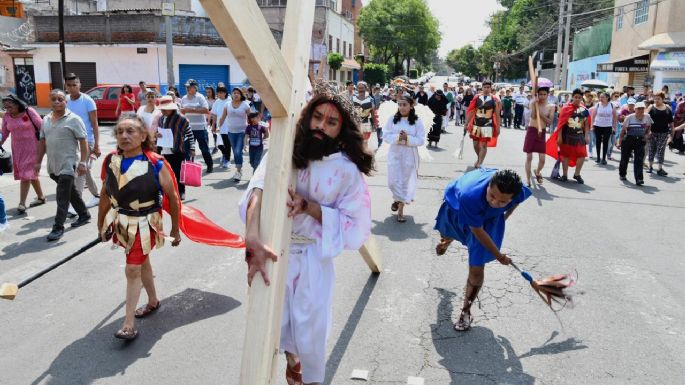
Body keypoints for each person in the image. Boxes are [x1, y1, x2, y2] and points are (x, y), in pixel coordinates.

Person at [239, 90, 373, 384]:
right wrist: (251, 237)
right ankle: (292, 362)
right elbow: (257, 189)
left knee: (310, 336)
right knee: (271, 328)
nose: (321, 126)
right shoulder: (285, 151)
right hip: (275, 250)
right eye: (317, 117)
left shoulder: (346, 171)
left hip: (313, 260)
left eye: (331, 122)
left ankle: (304, 374)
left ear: (340, 131)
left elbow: (355, 224)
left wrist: (310, 207)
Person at [98, 113, 181, 340]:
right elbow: (106, 195)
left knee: (132, 268)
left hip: (146, 223)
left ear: (143, 135)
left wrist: (175, 229)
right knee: (141, 260)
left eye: (131, 131)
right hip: (122, 222)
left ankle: (128, 325)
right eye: (120, 132)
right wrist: (100, 225)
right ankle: (153, 301)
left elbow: (172, 197)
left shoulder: (156, 162)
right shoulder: (111, 160)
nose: (124, 136)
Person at [434, 169, 531, 331]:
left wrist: (501, 218)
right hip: (457, 208)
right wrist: (499, 256)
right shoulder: (469, 196)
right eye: (492, 196)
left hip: (483, 219)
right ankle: (447, 239)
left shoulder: (518, 192)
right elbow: (478, 231)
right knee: (449, 232)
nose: (494, 203)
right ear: (488, 185)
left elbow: (516, 202)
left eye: (502, 202)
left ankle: (466, 311)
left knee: (477, 269)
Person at [34, 89, 90, 241]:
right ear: (49, 101)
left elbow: (83, 142)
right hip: (53, 165)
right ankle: (84, 214)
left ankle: (58, 227)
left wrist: (83, 162)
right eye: (54, 99)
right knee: (70, 191)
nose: (57, 102)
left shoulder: (74, 119)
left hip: (69, 163)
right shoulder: (45, 120)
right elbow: (42, 142)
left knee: (62, 195)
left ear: (66, 102)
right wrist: (38, 162)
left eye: (60, 99)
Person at [1, 94, 46, 214]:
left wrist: (46, 145)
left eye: (10, 106)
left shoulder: (29, 111)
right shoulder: (7, 116)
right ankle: (41, 197)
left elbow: (42, 127)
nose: (8, 110)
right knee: (30, 174)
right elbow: (4, 134)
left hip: (33, 147)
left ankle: (22, 203)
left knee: (26, 175)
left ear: (17, 103)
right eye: (6, 108)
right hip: (18, 149)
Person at [383, 95, 425, 223]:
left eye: (404, 105)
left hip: (409, 154)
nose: (402, 107)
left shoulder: (417, 121)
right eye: (400, 104)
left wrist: (407, 138)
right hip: (395, 153)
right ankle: (397, 199)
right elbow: (385, 135)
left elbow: (421, 140)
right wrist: (398, 138)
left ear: (411, 106)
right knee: (392, 182)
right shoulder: (392, 119)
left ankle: (400, 211)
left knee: (405, 182)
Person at [64, 73, 102, 209]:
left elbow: (94, 123)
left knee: (80, 170)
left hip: (86, 141)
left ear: (79, 85)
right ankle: (97, 195)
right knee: (84, 169)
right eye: (69, 85)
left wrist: (97, 145)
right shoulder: (66, 100)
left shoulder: (88, 100)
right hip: (70, 141)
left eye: (75, 85)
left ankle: (76, 204)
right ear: (66, 86)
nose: (72, 88)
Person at [546, 88, 590, 184]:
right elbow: (560, 124)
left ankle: (577, 174)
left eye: (579, 97)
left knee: (582, 155)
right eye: (575, 97)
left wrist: (587, 135)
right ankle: (564, 175)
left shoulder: (584, 110)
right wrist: (559, 137)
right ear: (572, 97)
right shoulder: (566, 108)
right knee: (565, 155)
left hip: (579, 136)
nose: (577, 99)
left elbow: (587, 124)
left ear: (581, 98)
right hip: (567, 135)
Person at [156, 95, 195, 200]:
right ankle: (171, 191)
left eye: (165, 109)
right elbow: (158, 132)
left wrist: (192, 148)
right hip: (165, 150)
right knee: (168, 173)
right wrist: (157, 135)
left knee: (178, 172)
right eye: (162, 109)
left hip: (178, 150)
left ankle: (181, 191)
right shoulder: (161, 119)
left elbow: (190, 134)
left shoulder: (181, 119)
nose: (163, 111)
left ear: (171, 109)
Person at [523, 87, 554, 186]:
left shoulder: (551, 106)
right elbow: (532, 117)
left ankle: (537, 172)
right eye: (540, 94)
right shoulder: (533, 103)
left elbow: (549, 122)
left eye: (544, 94)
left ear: (548, 95)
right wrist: (535, 105)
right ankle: (528, 179)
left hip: (542, 132)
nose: (542, 96)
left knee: (542, 159)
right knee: (529, 156)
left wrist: (540, 114)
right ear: (537, 95)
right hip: (532, 130)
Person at [219, 88, 252, 181]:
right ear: (232, 94)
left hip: (242, 132)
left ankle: (238, 171)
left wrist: (252, 129)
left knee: (238, 151)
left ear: (241, 95)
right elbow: (223, 117)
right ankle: (239, 168)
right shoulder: (227, 104)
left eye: (238, 93)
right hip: (230, 132)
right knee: (235, 152)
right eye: (234, 93)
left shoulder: (245, 105)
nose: (236, 94)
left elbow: (250, 118)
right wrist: (218, 127)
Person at [180, 79, 213, 173]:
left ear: (195, 87)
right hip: (188, 129)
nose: (187, 88)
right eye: (186, 87)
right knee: (187, 150)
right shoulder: (184, 98)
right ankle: (188, 169)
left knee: (204, 149)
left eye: (189, 87)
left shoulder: (200, 97)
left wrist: (189, 110)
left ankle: (209, 165)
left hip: (200, 128)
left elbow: (206, 110)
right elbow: (182, 112)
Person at [466, 81, 501, 168]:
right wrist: (466, 123)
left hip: (488, 124)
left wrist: (498, 127)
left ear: (491, 88)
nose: (486, 89)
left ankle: (480, 163)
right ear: (482, 88)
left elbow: (497, 115)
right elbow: (472, 111)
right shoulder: (477, 97)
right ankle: (479, 158)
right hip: (476, 123)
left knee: (484, 144)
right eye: (484, 87)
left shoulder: (494, 99)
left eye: (488, 87)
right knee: (475, 144)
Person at [617, 102, 652, 186]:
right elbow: (622, 131)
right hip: (628, 139)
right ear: (635, 109)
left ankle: (639, 179)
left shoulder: (647, 117)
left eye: (642, 108)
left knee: (639, 160)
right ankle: (622, 174)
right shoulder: (629, 117)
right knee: (624, 159)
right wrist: (619, 142)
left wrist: (646, 136)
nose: (641, 110)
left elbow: (649, 129)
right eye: (639, 108)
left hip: (640, 140)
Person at [646, 92, 674, 176]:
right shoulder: (651, 107)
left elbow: (671, 123)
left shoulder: (668, 108)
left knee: (661, 150)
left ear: (663, 99)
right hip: (653, 132)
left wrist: (671, 136)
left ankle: (660, 168)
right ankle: (650, 167)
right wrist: (648, 131)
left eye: (658, 99)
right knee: (652, 149)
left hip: (664, 133)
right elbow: (646, 120)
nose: (656, 100)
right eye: (655, 98)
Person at [590, 92, 617, 165]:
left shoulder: (612, 105)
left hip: (607, 126)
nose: (600, 99)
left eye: (602, 97)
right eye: (600, 97)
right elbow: (593, 116)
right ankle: (598, 158)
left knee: (605, 142)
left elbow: (615, 118)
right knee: (598, 141)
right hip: (598, 125)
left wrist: (614, 127)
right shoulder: (597, 105)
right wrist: (592, 126)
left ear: (607, 98)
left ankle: (604, 158)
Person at [210, 86, 231, 168]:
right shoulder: (217, 102)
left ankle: (227, 160)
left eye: (221, 92)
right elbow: (214, 114)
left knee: (227, 143)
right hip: (220, 126)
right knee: (218, 144)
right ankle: (224, 154)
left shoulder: (230, 100)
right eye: (218, 92)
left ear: (225, 93)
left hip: (229, 125)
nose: (219, 94)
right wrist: (213, 125)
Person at [353, 81, 374, 146]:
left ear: (366, 88)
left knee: (365, 141)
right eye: (359, 88)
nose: (361, 89)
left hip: (366, 122)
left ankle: (364, 154)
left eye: (362, 88)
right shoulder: (353, 98)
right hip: (355, 122)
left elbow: (373, 112)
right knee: (356, 141)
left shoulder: (370, 99)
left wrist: (374, 123)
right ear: (357, 88)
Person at [205, 86, 220, 155]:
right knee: (206, 133)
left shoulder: (216, 100)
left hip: (214, 119)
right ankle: (206, 147)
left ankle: (216, 146)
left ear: (212, 92)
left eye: (209, 92)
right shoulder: (205, 100)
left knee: (214, 133)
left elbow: (217, 110)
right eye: (207, 92)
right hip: (207, 119)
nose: (208, 93)